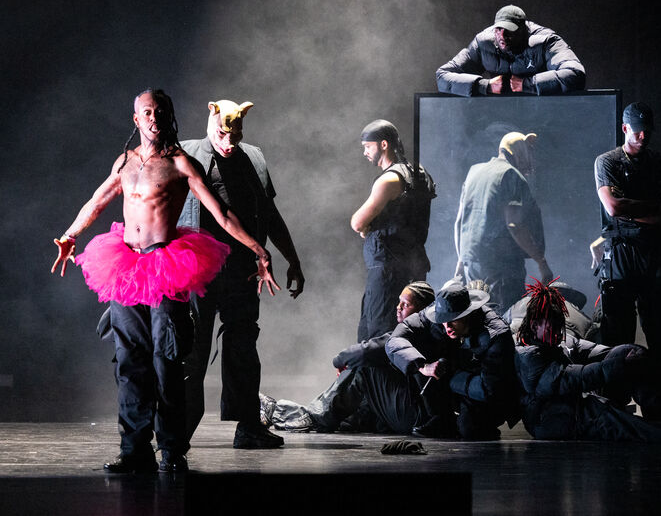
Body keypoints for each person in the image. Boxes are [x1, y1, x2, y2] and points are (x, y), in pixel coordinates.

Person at [50, 89, 279, 473]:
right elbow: (96, 200)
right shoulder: (125, 162)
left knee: (168, 361)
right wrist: (70, 235)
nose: (153, 118)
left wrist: (259, 249)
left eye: (160, 111)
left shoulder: (181, 163)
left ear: (169, 117)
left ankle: (172, 449)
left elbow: (220, 213)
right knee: (129, 361)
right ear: (136, 119)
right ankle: (134, 449)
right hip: (126, 267)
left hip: (166, 266)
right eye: (147, 112)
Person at [178, 99, 304, 449]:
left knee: (243, 347)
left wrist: (291, 258)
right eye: (222, 133)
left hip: (243, 272)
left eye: (236, 133)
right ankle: (178, 434)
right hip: (198, 272)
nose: (230, 142)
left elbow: (270, 212)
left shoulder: (254, 157)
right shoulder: (185, 154)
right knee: (193, 350)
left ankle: (248, 426)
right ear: (211, 119)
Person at [514, 278, 661, 444]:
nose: (556, 330)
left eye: (558, 324)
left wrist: (627, 353)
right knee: (620, 423)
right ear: (534, 326)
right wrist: (614, 365)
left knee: (628, 358)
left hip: (573, 409)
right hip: (551, 421)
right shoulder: (528, 356)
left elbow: (596, 351)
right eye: (550, 325)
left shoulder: (559, 340)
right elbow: (569, 379)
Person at [593, 101, 661, 419]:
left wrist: (634, 208)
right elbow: (613, 208)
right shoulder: (608, 162)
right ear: (624, 129)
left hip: (655, 255)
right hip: (621, 254)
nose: (643, 135)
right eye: (637, 130)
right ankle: (616, 405)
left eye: (647, 130)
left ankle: (660, 406)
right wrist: (652, 209)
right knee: (617, 336)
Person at [269, 281, 435, 433]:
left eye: (405, 304)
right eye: (399, 301)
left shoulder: (412, 335)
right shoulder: (435, 332)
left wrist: (339, 361)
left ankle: (313, 417)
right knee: (373, 376)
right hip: (419, 415)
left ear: (420, 310)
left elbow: (365, 352)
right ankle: (349, 420)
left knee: (364, 367)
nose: (398, 307)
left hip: (415, 418)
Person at [385, 281, 517, 440]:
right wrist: (421, 366)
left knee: (470, 429)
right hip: (458, 378)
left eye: (453, 319)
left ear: (467, 314)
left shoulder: (496, 335)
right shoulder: (436, 313)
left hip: (484, 392)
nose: (447, 326)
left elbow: (491, 389)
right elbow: (396, 339)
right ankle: (441, 417)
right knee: (417, 344)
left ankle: (467, 422)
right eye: (443, 320)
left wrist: (450, 374)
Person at [351, 119, 436, 341]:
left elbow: (358, 223)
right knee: (411, 332)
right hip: (415, 269)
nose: (365, 152)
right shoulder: (421, 173)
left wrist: (366, 227)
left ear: (384, 145)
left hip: (387, 272)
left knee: (378, 334)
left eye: (368, 146)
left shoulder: (389, 179)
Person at [454, 131, 553, 315]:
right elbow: (514, 225)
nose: (530, 156)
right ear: (518, 150)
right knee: (504, 317)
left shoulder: (474, 171)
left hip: (472, 264)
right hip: (501, 267)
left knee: (477, 316)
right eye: (528, 150)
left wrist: (461, 261)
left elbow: (460, 221)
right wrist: (541, 262)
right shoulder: (511, 174)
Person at [435, 4, 585, 97]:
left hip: (544, 115)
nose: (502, 35)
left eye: (509, 30)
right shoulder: (483, 42)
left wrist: (526, 85)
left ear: (522, 30)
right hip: (499, 116)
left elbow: (575, 74)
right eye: (498, 29)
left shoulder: (545, 41)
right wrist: (484, 86)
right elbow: (442, 77)